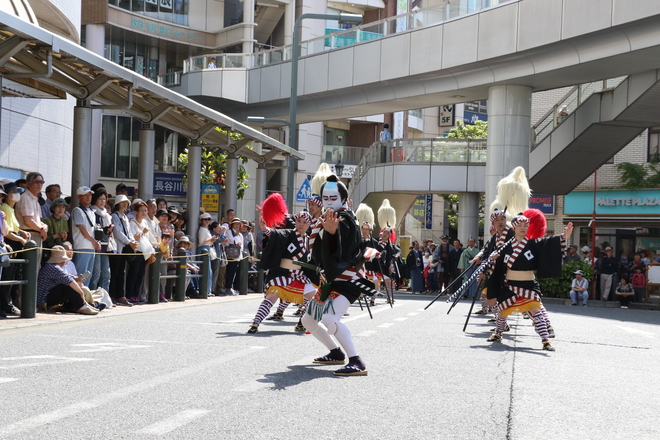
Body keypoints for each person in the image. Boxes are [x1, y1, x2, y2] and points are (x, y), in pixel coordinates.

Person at [301, 174, 374, 376]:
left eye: (334, 197)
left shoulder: (347, 218)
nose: (329, 201)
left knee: (329, 317)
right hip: (330, 281)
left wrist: (332, 234)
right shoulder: (324, 219)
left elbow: (342, 251)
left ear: (343, 198)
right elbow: (319, 254)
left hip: (347, 279)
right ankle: (335, 352)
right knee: (308, 321)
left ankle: (356, 360)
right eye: (326, 197)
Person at [487, 212, 573, 351]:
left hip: (528, 285)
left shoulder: (534, 244)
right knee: (502, 312)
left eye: (525, 225)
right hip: (510, 285)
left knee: (536, 311)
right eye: (519, 225)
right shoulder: (505, 247)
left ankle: (545, 340)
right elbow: (496, 262)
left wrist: (563, 237)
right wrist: (493, 258)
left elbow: (549, 242)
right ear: (513, 228)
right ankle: (498, 333)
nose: (522, 228)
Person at [248, 211, 315, 334]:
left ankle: (302, 322)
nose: (301, 224)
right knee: (271, 297)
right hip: (282, 274)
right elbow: (275, 234)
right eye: (299, 221)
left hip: (299, 276)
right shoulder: (288, 234)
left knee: (315, 298)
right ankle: (255, 323)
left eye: (305, 222)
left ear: (309, 224)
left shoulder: (308, 239)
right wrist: (264, 228)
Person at [36, 245, 98, 315]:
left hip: (48, 297)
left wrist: (77, 279)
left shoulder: (52, 267)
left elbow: (67, 276)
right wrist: (82, 294)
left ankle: (77, 306)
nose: (66, 262)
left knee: (67, 286)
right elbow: (69, 281)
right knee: (66, 285)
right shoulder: (54, 268)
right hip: (43, 301)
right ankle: (80, 306)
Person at [0, 182, 30, 317]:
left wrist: (21, 232)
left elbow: (12, 228)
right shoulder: (5, 209)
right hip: (8, 246)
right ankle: (6, 305)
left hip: (12, 247)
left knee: (11, 277)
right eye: (13, 191)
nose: (17, 194)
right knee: (7, 278)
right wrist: (21, 239)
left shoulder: (9, 210)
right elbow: (7, 233)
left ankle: (7, 304)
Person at [110, 194, 138, 306]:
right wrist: (129, 242)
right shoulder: (115, 216)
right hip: (117, 248)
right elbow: (117, 232)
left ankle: (121, 295)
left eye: (126, 202)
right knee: (115, 272)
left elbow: (129, 232)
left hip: (125, 248)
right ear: (117, 204)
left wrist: (132, 241)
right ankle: (112, 295)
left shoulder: (125, 217)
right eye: (122, 202)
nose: (125, 204)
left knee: (122, 272)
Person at [15, 172, 48, 267]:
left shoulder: (36, 200)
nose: (40, 184)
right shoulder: (25, 197)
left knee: (36, 268)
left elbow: (37, 220)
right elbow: (28, 221)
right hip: (29, 236)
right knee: (29, 269)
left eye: (41, 182)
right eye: (36, 182)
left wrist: (45, 226)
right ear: (28, 184)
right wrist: (42, 230)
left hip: (37, 235)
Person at [71, 186, 101, 287]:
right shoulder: (77, 210)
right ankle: (79, 298)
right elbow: (82, 228)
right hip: (82, 246)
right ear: (79, 197)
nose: (88, 197)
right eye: (85, 195)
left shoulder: (92, 211)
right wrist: (94, 242)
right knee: (81, 275)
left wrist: (97, 242)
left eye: (90, 194)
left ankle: (85, 297)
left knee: (88, 275)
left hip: (91, 246)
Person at [128, 200, 155, 303]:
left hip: (144, 251)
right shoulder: (132, 222)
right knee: (133, 273)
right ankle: (130, 294)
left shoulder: (145, 222)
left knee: (140, 274)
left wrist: (151, 248)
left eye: (145, 210)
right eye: (142, 210)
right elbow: (133, 237)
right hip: (136, 251)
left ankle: (137, 294)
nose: (144, 212)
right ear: (136, 211)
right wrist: (142, 232)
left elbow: (148, 239)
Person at [89, 188, 115, 293]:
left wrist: (109, 230)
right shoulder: (92, 212)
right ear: (95, 199)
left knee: (106, 273)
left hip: (105, 245)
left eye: (104, 199)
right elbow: (94, 230)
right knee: (96, 273)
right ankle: (92, 297)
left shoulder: (106, 214)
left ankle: (105, 298)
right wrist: (106, 229)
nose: (102, 201)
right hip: (96, 245)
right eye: (100, 199)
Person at [197, 212, 217, 297]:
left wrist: (211, 240)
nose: (207, 221)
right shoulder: (202, 230)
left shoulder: (206, 230)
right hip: (203, 249)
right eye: (205, 219)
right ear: (201, 220)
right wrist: (210, 239)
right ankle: (205, 290)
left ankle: (208, 290)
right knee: (206, 270)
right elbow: (201, 242)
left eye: (208, 219)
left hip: (207, 248)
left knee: (209, 271)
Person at [224, 218, 243, 295]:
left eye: (238, 224)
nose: (237, 226)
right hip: (230, 255)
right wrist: (237, 241)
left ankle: (233, 287)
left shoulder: (240, 234)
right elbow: (232, 241)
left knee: (235, 272)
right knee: (230, 271)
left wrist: (238, 242)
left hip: (238, 255)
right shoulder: (229, 231)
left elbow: (241, 245)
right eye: (235, 224)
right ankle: (228, 287)